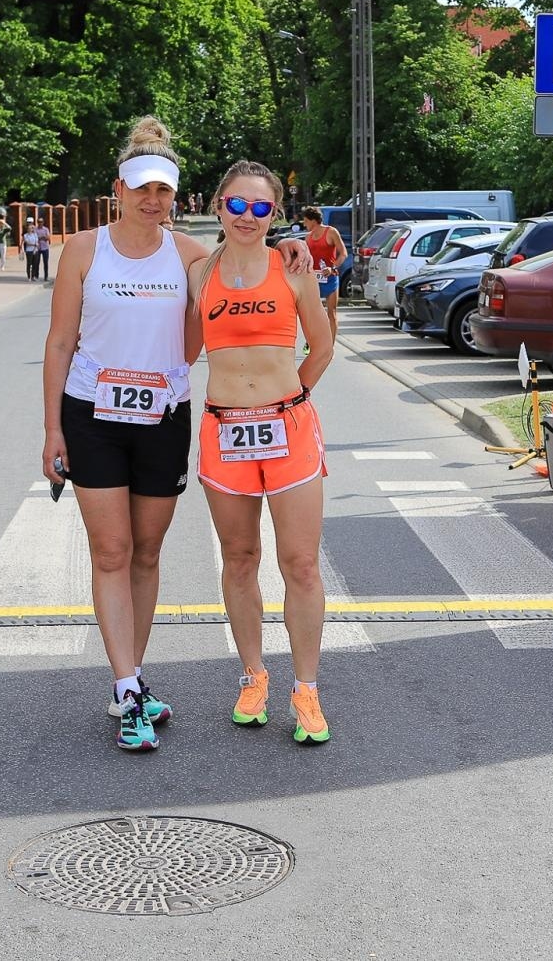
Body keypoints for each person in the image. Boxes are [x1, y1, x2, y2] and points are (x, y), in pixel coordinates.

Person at [42, 116, 312, 753]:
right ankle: (129, 686)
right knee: (109, 551)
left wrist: (296, 239)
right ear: (119, 187)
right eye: (141, 189)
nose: (152, 201)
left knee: (146, 552)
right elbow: (58, 342)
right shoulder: (82, 251)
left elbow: (252, 256)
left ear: (175, 195)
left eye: (163, 190)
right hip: (93, 415)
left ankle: (127, 678)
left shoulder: (193, 256)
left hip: (163, 416)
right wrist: (52, 427)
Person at [188, 162, 334, 746]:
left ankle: (306, 690)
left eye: (262, 208)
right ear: (219, 206)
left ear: (276, 214)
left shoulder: (293, 269)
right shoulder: (199, 271)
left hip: (288, 428)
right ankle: (253, 677)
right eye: (237, 205)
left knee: (300, 564)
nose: (248, 217)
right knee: (240, 558)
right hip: (224, 433)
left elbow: (322, 348)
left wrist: (289, 401)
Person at [300, 206, 346, 352]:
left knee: (331, 312)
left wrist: (332, 268)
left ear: (313, 220)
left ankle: (329, 349)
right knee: (312, 313)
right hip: (313, 279)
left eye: (306, 221)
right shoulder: (308, 237)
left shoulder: (331, 232)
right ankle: (311, 342)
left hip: (330, 277)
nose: (304, 223)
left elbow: (343, 253)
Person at [23, 215, 40, 280]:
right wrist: (34, 244)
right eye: (29, 228)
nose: (30, 229)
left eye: (31, 228)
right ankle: (28, 276)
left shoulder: (35, 234)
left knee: (34, 264)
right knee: (29, 264)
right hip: (29, 251)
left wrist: (36, 246)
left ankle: (33, 276)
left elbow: (37, 242)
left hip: (35, 250)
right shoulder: (25, 235)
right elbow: (27, 242)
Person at [35, 216, 51, 282]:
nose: (40, 223)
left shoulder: (46, 229)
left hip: (45, 248)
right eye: (39, 222)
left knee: (46, 263)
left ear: (43, 222)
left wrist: (41, 238)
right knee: (36, 262)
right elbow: (35, 238)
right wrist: (42, 237)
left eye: (41, 222)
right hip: (38, 248)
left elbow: (48, 238)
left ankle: (46, 276)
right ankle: (36, 276)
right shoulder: (35, 230)